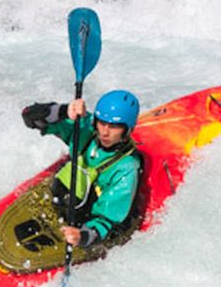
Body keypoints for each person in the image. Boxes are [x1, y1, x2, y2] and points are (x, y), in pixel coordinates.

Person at [21, 89, 142, 251]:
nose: (105, 132)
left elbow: (107, 220)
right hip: (63, 199)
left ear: (127, 129)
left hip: (88, 223)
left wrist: (82, 236)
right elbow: (29, 116)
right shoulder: (85, 127)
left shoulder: (126, 168)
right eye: (102, 123)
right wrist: (64, 111)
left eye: (113, 127)